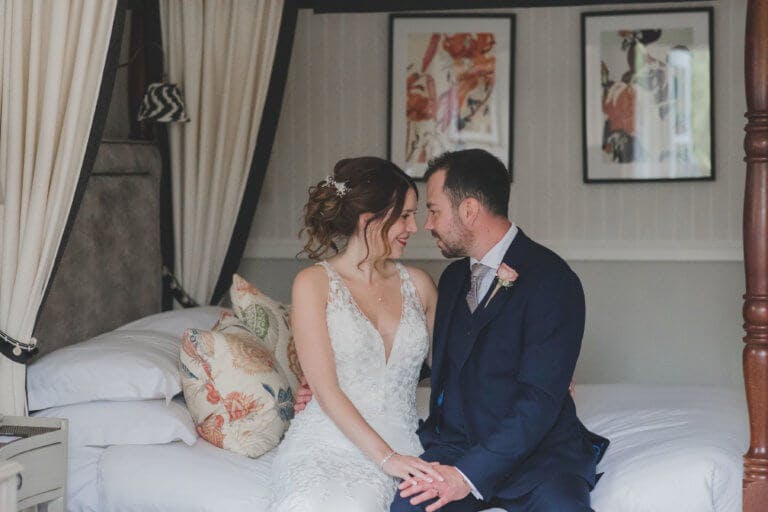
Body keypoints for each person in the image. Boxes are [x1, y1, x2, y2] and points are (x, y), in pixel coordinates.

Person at [295, 149, 608, 512]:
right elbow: (443, 358)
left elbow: (539, 401)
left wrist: (468, 476)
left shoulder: (552, 280)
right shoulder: (455, 278)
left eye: (433, 210)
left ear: (470, 211)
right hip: (456, 450)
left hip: (541, 458)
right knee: (408, 509)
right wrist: (335, 378)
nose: (425, 225)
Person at [269, 157, 442, 512]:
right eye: (405, 215)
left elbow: (456, 368)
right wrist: (386, 458)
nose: (415, 226)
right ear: (370, 219)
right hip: (325, 441)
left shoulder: (420, 286)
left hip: (402, 439)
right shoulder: (313, 284)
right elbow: (326, 390)